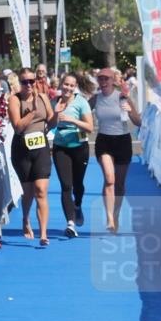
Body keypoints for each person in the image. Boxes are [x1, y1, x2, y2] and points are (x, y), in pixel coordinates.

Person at [8, 67, 56, 245]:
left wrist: (57, 114)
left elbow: (51, 121)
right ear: (19, 83)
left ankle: (43, 233)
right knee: (28, 192)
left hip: (41, 147)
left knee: (41, 191)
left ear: (36, 81)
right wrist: (33, 113)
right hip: (22, 150)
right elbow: (18, 127)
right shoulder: (15, 100)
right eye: (24, 82)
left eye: (31, 81)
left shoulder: (43, 97)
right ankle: (26, 218)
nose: (29, 85)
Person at [91, 67, 141, 233]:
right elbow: (80, 110)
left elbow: (138, 121)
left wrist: (129, 111)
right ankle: (110, 218)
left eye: (107, 79)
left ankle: (116, 214)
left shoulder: (122, 97)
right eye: (101, 79)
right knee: (109, 178)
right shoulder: (95, 99)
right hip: (104, 141)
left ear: (113, 81)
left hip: (123, 141)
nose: (103, 82)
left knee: (119, 184)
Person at [52, 73, 94, 237]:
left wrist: (71, 120)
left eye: (71, 85)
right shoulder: (55, 102)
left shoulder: (81, 102)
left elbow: (90, 127)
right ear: (61, 85)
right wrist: (55, 114)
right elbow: (48, 125)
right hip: (60, 147)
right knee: (66, 186)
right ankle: (70, 224)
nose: (68, 88)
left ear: (74, 87)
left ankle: (77, 205)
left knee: (78, 184)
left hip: (79, 147)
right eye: (66, 84)